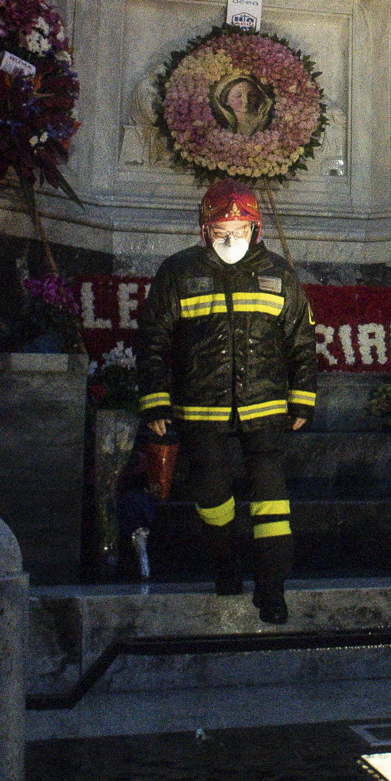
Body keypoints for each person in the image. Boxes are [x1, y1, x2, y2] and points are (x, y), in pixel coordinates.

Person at [136, 181, 319, 624]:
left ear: (256, 229)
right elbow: (152, 339)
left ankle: (271, 591)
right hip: (202, 407)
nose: (231, 239)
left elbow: (301, 339)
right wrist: (156, 401)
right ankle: (225, 567)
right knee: (212, 495)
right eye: (221, 231)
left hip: (265, 407)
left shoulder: (279, 274)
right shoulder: (178, 272)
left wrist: (302, 399)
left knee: (271, 503)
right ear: (205, 230)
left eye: (240, 230)